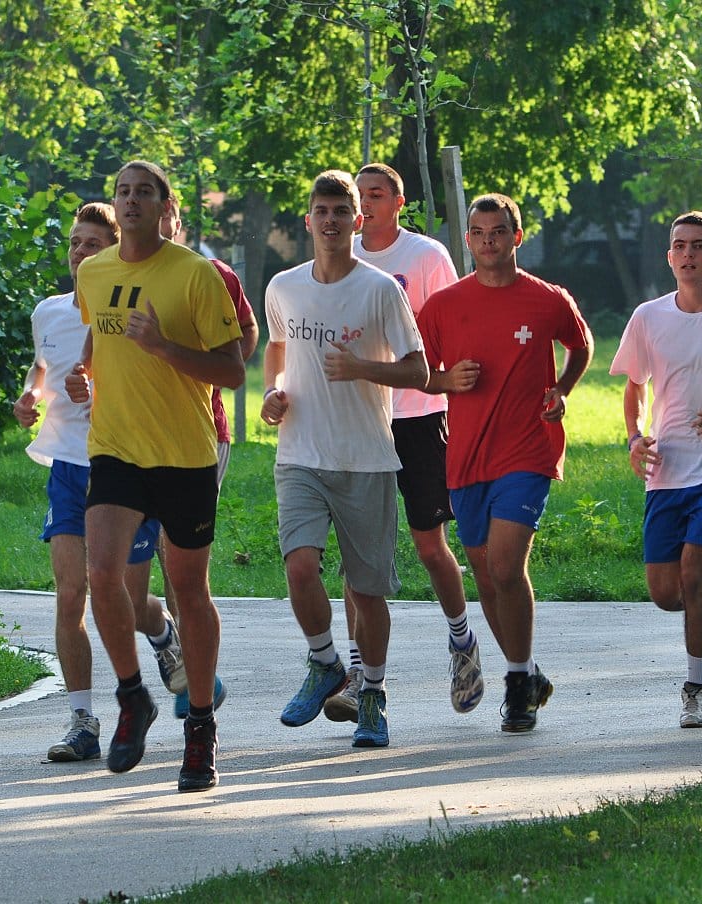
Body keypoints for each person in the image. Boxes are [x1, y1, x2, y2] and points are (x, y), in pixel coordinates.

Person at [67, 160, 244, 792]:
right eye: (123, 191)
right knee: (102, 572)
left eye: (145, 192)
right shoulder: (94, 271)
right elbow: (98, 339)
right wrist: (84, 374)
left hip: (185, 454)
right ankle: (131, 696)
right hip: (116, 448)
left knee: (188, 592)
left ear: (164, 204)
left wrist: (166, 346)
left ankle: (200, 726)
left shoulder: (195, 275)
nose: (132, 200)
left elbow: (231, 371)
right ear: (114, 204)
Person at [12, 203, 187, 764]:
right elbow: (43, 368)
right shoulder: (49, 311)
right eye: (74, 243)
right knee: (71, 594)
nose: (79, 253)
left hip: (126, 462)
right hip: (68, 465)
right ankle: (82, 720)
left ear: (112, 249)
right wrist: (32, 397)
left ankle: (161, 635)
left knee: (130, 603)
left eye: (91, 244)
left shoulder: (129, 307)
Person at [261, 169, 428, 749]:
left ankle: (374, 696)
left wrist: (361, 368)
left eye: (342, 211)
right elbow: (277, 348)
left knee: (365, 591)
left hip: (367, 459)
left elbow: (419, 370)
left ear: (358, 221)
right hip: (300, 454)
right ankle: (325, 661)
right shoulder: (283, 287)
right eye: (320, 211)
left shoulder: (381, 289)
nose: (330, 220)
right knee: (300, 566)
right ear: (307, 220)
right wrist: (272, 394)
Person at [417, 192, 592, 733]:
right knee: (488, 579)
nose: (487, 241)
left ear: (518, 236)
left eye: (498, 231)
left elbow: (580, 346)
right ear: (467, 240)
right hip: (466, 456)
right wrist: (445, 381)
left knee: (505, 566)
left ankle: (517, 685)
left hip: (528, 449)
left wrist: (561, 388)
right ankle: (531, 670)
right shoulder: (443, 305)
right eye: (477, 232)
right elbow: (418, 370)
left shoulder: (546, 299)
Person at [323, 162, 476, 724]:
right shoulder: (341, 259)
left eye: (377, 194)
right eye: (359, 196)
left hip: (417, 414)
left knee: (429, 542)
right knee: (357, 551)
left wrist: (449, 385)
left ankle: (461, 642)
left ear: (398, 201)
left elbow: (454, 325)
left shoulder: (426, 257)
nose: (366, 203)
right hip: (361, 417)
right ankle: (358, 668)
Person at [609, 211, 702, 728]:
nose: (688, 255)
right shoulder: (648, 317)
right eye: (679, 246)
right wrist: (636, 438)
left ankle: (697, 689)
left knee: (693, 569)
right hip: (667, 468)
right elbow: (634, 388)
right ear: (669, 257)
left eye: (699, 246)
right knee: (665, 593)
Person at [156, 195, 258, 719]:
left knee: (180, 558)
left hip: (200, 433)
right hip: (128, 438)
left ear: (178, 220)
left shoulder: (211, 273)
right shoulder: (115, 273)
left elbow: (247, 330)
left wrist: (214, 368)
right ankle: (176, 649)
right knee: (144, 559)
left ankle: (198, 673)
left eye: (163, 214)